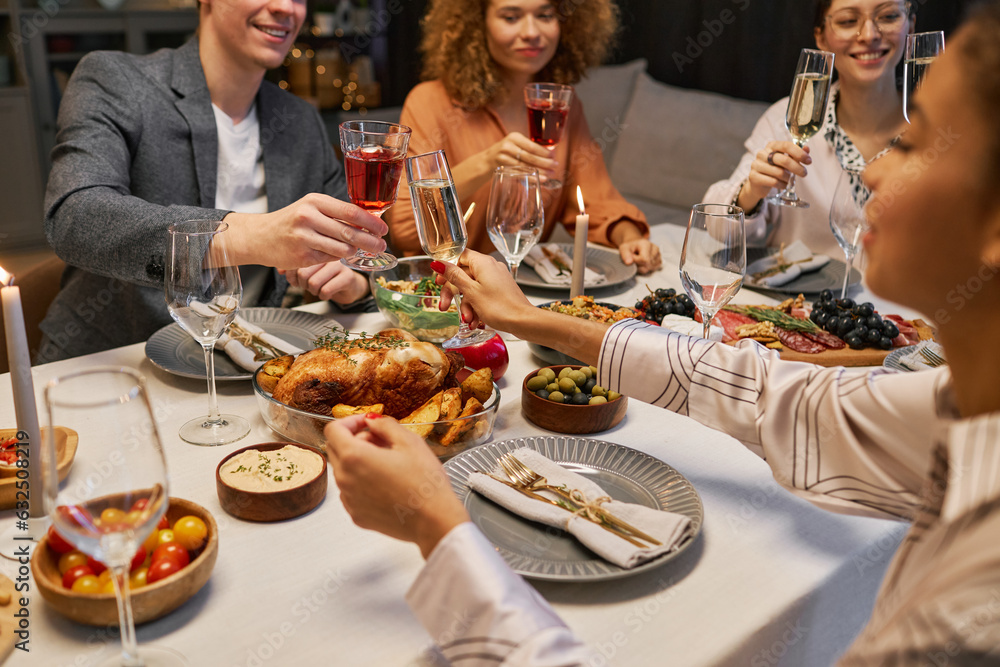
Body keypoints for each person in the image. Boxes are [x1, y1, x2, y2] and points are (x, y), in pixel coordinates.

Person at [325, 2, 1000, 662]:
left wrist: (438, 530)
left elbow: (610, 202)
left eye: (913, 142)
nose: (872, 167)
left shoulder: (977, 601)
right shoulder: (956, 413)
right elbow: (774, 396)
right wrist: (530, 318)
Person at [37, 0, 381, 362]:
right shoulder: (114, 79)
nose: (285, 8)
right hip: (114, 365)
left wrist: (352, 284)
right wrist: (254, 237)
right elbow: (75, 216)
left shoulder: (299, 120)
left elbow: (358, 255)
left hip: (241, 374)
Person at [384, 0, 662, 275]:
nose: (531, 31)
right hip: (442, 292)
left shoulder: (561, 105)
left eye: (544, 15)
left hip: (521, 290)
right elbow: (407, 231)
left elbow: (597, 200)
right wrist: (486, 164)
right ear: (477, 24)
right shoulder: (428, 103)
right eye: (511, 17)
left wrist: (629, 238)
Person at [704, 0, 914, 258]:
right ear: (821, 38)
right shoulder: (789, 117)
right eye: (848, 21)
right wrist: (751, 192)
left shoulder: (942, 135)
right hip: (800, 297)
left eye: (889, 16)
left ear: (910, 26)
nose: (869, 35)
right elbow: (715, 226)